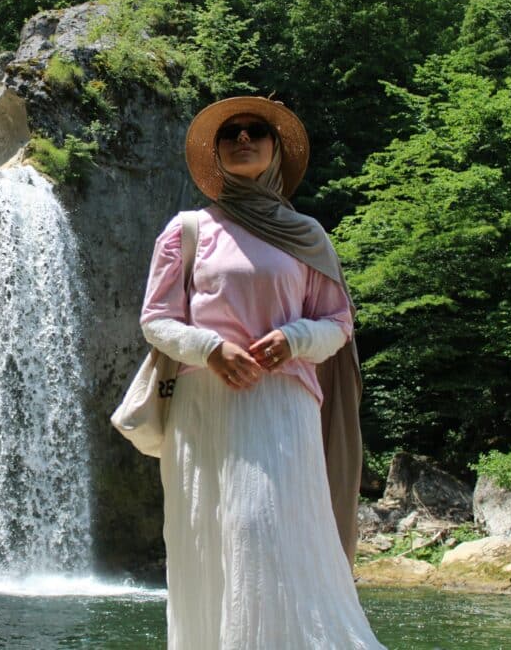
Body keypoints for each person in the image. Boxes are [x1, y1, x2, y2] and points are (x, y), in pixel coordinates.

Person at [140, 97, 385, 649]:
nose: (243, 138)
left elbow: (338, 323)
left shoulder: (307, 236)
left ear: (275, 150)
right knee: (203, 540)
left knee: (265, 530)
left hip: (282, 407)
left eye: (256, 131)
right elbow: (156, 319)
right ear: (217, 153)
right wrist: (210, 349)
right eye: (231, 133)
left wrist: (294, 339)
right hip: (203, 408)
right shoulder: (188, 230)